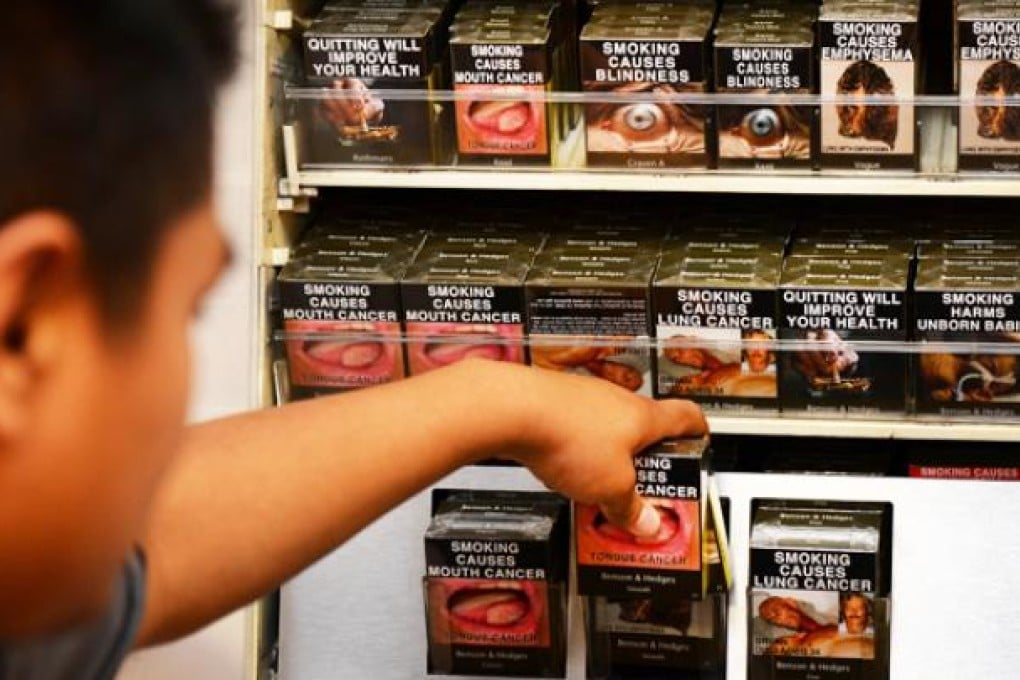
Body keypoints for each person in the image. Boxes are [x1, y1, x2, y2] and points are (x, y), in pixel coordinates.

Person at [0, 1, 707, 677]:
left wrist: (507, 401)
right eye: (188, 307)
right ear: (25, 324)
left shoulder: (29, 596)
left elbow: (158, 548)